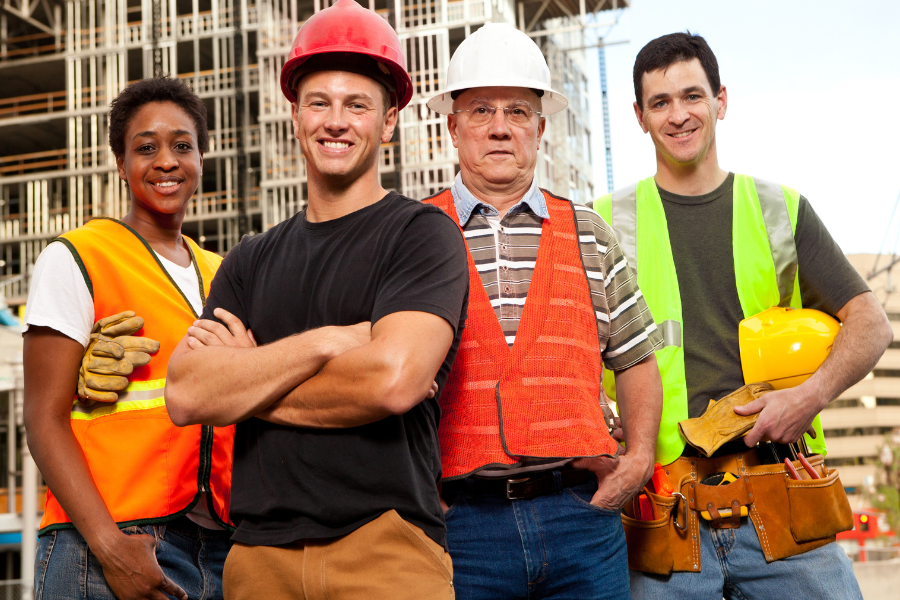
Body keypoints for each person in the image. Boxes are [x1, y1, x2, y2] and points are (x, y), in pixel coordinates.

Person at [163, 1, 469, 598]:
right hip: (257, 561)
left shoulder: (422, 235)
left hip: (387, 550)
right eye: (319, 103)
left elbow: (392, 380)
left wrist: (248, 384)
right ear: (295, 116)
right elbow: (187, 393)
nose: (336, 121)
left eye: (357, 105)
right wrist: (334, 341)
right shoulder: (250, 259)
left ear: (388, 122)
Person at [593, 32, 892, 600]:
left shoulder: (779, 208)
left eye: (692, 96)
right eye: (660, 103)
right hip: (665, 510)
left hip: (781, 498)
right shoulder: (605, 222)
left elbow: (872, 325)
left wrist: (808, 398)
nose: (678, 115)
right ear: (639, 116)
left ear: (720, 101)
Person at [421, 23, 664, 600]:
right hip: (459, 526)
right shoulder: (414, 234)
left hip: (581, 519)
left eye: (517, 111)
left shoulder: (589, 234)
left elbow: (636, 359)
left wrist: (639, 460)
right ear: (453, 127)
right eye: (481, 110)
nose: (500, 127)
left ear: (541, 128)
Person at [23, 76, 234, 600]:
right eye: (146, 147)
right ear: (120, 163)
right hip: (105, 545)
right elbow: (42, 418)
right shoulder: (79, 257)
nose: (166, 161)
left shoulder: (223, 274)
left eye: (182, 145)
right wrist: (109, 545)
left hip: (217, 548)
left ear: (201, 159)